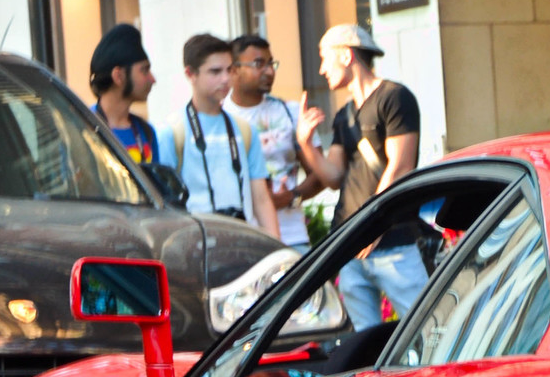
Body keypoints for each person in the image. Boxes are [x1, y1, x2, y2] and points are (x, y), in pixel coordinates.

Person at [297, 24, 425, 327]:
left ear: (345, 55)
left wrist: (372, 225)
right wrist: (305, 143)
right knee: (365, 347)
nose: (321, 69)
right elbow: (333, 176)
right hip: (350, 245)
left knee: (424, 332)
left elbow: (401, 166)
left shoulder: (394, 98)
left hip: (393, 242)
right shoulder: (345, 114)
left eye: (324, 58)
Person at [152, 33, 262, 223]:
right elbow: (164, 203)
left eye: (229, 70)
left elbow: (261, 198)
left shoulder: (245, 130)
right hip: (195, 241)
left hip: (243, 239)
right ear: (190, 74)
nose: (225, 78)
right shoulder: (172, 131)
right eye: (215, 71)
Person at [226, 32, 315, 246]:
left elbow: (318, 176)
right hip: (240, 240)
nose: (269, 71)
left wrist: (290, 197)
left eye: (271, 64)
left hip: (292, 237)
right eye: (259, 64)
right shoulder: (220, 119)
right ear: (235, 70)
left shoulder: (289, 112)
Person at [86, 23, 156, 165]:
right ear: (118, 76)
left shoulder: (147, 132)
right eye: (144, 70)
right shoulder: (84, 129)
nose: (152, 79)